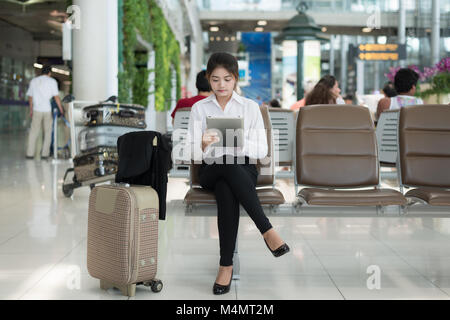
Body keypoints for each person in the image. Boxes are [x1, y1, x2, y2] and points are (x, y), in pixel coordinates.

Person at [187, 52, 290, 295]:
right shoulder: (199, 109)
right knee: (223, 167)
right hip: (210, 170)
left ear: (235, 79)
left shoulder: (250, 107)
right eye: (215, 80)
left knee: (227, 186)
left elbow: (262, 150)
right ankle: (267, 230)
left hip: (243, 168)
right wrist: (202, 144)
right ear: (208, 80)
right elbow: (187, 152)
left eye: (227, 79)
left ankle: (225, 266)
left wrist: (239, 143)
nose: (221, 85)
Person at [26, 65, 64, 160]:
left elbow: (30, 97)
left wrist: (31, 109)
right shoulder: (52, 81)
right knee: (47, 132)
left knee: (33, 131)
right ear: (49, 73)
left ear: (41, 72)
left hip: (36, 109)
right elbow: (56, 97)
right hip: (47, 110)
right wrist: (61, 109)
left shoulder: (34, 81)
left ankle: (30, 154)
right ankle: (44, 154)